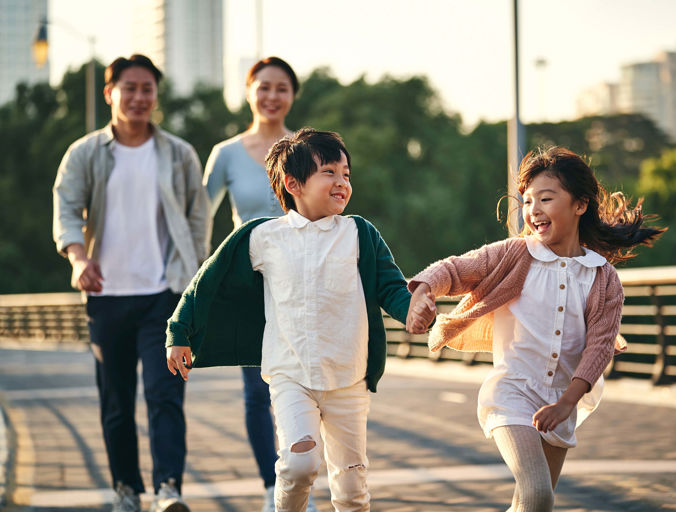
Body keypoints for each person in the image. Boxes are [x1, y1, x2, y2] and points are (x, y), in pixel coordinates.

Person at [165, 128, 434, 512]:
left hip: (349, 378)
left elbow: (391, 288)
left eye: (346, 174)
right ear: (293, 183)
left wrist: (413, 310)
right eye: (329, 172)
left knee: (352, 488)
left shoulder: (360, 234)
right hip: (290, 376)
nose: (342, 182)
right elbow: (207, 281)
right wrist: (179, 331)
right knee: (298, 464)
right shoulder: (263, 237)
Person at [406, 146, 664, 512]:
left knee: (533, 504)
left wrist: (567, 402)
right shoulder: (515, 254)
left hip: (562, 399)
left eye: (546, 198)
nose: (533, 210)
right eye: (527, 201)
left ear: (580, 205)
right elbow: (455, 269)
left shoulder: (603, 278)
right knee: (538, 493)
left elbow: (600, 346)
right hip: (512, 392)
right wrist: (423, 291)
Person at [52, 54, 210, 512]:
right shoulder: (85, 153)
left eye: (148, 89)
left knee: (165, 395)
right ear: (110, 93)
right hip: (106, 295)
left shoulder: (178, 153)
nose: (140, 97)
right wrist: (78, 258)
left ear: (156, 96)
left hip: (165, 294)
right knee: (117, 401)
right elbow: (65, 207)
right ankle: (126, 490)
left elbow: (199, 215)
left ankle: (168, 490)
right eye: (130, 88)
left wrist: (193, 276)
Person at [202, 56, 315, 512]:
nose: (272, 96)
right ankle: (275, 487)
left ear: (292, 95)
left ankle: (301, 482)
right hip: (249, 287)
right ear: (249, 91)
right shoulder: (226, 153)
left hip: (306, 281)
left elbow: (332, 201)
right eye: (263, 86)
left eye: (281, 88)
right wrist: (202, 282)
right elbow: (198, 218)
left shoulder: (308, 147)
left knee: (309, 385)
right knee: (256, 392)